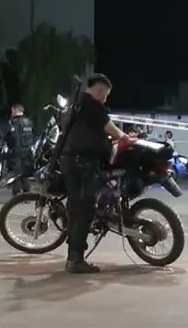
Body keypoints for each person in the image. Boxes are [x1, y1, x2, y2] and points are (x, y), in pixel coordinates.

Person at [60, 73, 127, 274]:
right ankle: (75, 260)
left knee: (76, 208)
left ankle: (73, 256)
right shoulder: (92, 105)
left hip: (71, 161)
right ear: (99, 89)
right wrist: (125, 137)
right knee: (84, 210)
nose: (105, 99)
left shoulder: (76, 104)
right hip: (83, 164)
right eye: (105, 95)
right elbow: (113, 131)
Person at [6, 104, 35, 196]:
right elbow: (33, 135)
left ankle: (17, 192)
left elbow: (13, 136)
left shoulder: (14, 122)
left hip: (17, 150)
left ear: (15, 110)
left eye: (12, 110)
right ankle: (27, 191)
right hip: (27, 149)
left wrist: (9, 146)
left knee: (16, 171)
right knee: (25, 171)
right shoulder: (29, 122)